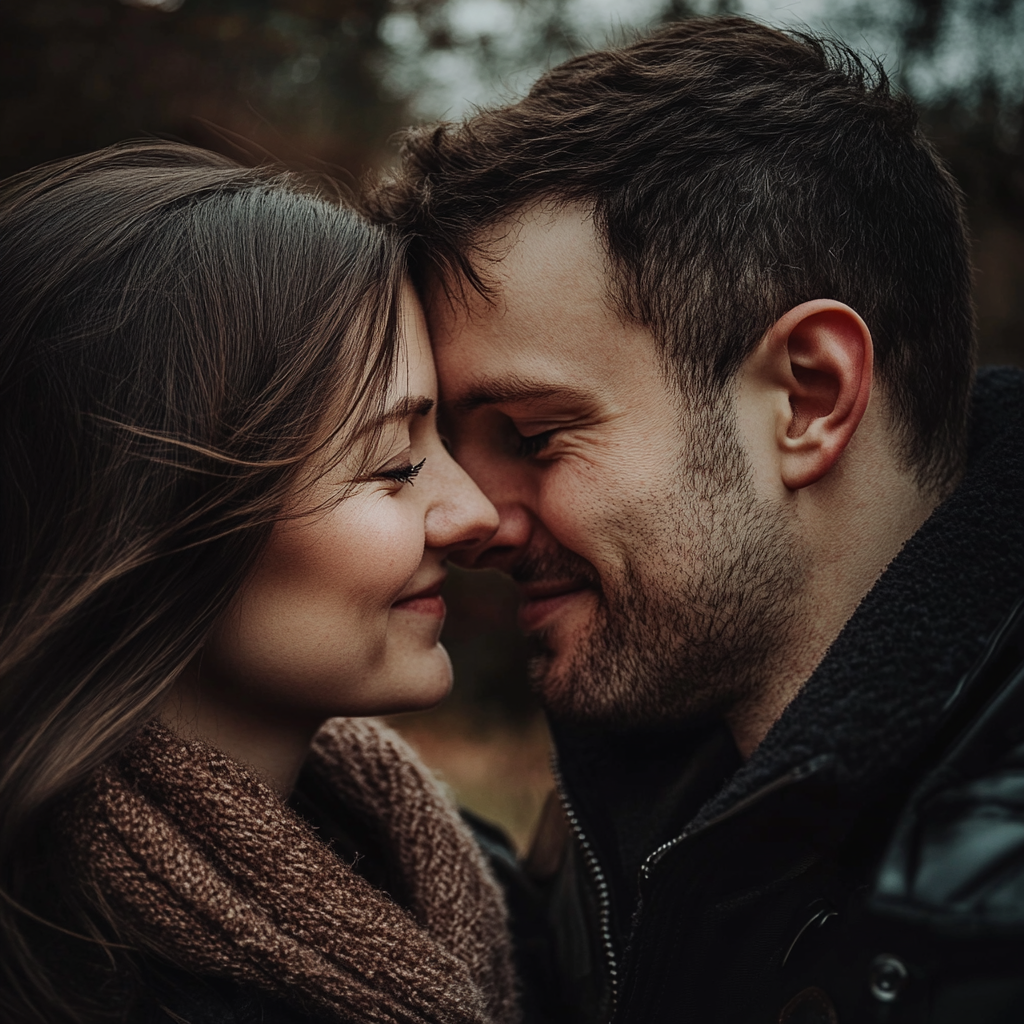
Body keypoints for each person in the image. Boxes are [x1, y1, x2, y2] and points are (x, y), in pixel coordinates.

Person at [370, 15, 1024, 1024]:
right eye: (453, 446)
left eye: (535, 436)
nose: (469, 519)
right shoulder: (625, 798)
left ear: (806, 396)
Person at [0, 141, 522, 1024]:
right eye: (395, 463)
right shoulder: (58, 979)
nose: (475, 513)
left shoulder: (483, 883)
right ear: (154, 515)